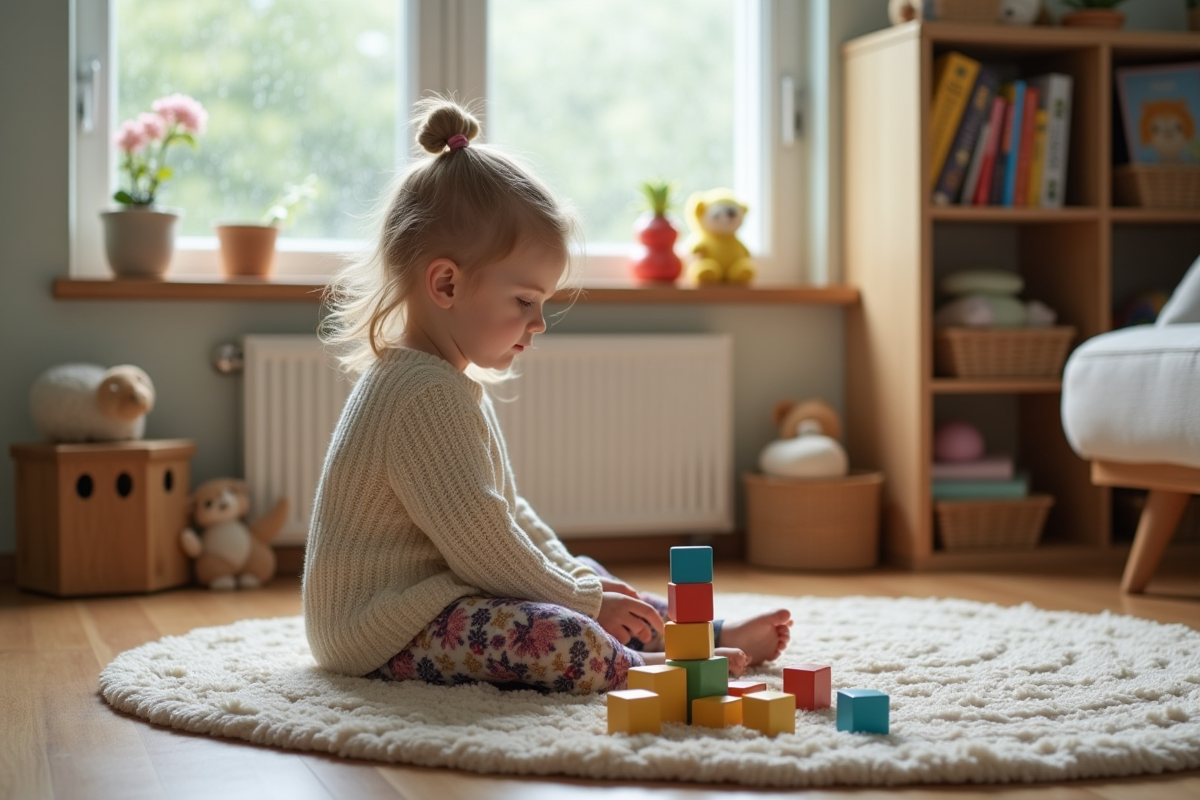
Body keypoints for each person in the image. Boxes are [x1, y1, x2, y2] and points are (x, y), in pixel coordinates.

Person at [303, 97, 791, 695]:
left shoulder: (444, 382)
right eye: (524, 301)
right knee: (561, 630)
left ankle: (693, 633)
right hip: (381, 629)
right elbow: (485, 546)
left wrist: (580, 583)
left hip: (439, 594)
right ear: (447, 284)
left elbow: (507, 515)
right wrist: (582, 602)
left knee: (588, 577)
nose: (538, 323)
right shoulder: (421, 397)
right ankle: (645, 664)